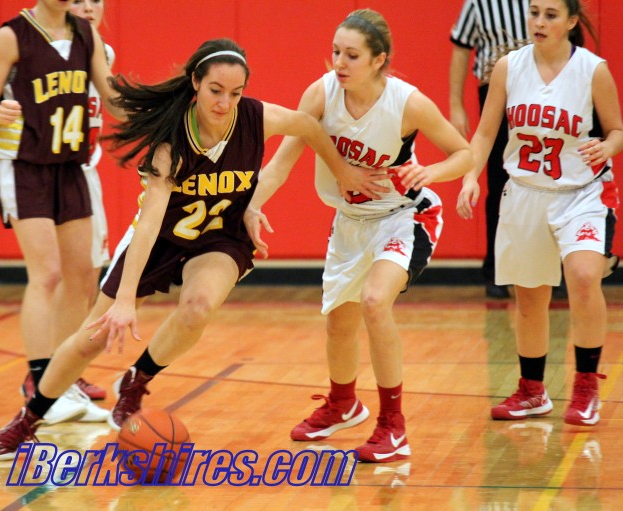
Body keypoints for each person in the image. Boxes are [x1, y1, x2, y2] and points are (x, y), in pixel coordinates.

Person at [0, 37, 385, 461]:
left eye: (236, 93)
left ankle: (137, 380)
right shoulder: (171, 142)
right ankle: (28, 419)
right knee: (92, 337)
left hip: (220, 235)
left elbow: (307, 126)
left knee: (198, 307)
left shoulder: (255, 118)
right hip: (159, 237)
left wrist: (337, 172)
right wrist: (125, 300)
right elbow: (149, 223)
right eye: (216, 91)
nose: (225, 103)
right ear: (196, 82)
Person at [243, 9, 473, 463]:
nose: (339, 63)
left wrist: (430, 171)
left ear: (377, 59)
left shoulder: (407, 103)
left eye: (351, 55)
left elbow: (463, 154)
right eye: (335, 52)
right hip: (350, 221)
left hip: (404, 216)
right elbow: (281, 163)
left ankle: (393, 425)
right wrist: (252, 205)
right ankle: (343, 403)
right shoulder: (320, 94)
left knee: (373, 301)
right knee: (339, 323)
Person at [456, 0, 623, 425]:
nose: (539, 22)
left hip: (581, 193)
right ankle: (532, 391)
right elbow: (486, 132)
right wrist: (470, 176)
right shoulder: (508, 67)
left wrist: (608, 146)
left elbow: (617, 130)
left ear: (571, 21)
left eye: (550, 14)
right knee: (529, 298)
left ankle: (586, 386)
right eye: (534, 13)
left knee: (583, 276)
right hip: (526, 193)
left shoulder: (592, 70)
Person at [0, 1, 124, 424]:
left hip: (69, 165)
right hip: (22, 164)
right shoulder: (10, 37)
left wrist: (165, 109)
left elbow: (114, 101)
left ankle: (61, 384)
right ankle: (40, 388)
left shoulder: (86, 35)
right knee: (46, 274)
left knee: (81, 276)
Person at [450, 0, 529, 299]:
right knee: (499, 181)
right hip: (496, 87)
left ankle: (557, 267)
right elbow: (460, 47)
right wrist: (456, 105)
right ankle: (496, 268)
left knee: (548, 177)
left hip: (543, 85)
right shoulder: (479, 3)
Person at [67, 0, 113, 401]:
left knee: (88, 276)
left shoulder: (104, 53)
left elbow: (116, 105)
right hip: (51, 175)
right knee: (59, 278)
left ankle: (68, 368)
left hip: (86, 173)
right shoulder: (45, 52)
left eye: (95, 0)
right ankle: (45, 370)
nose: (87, 7)